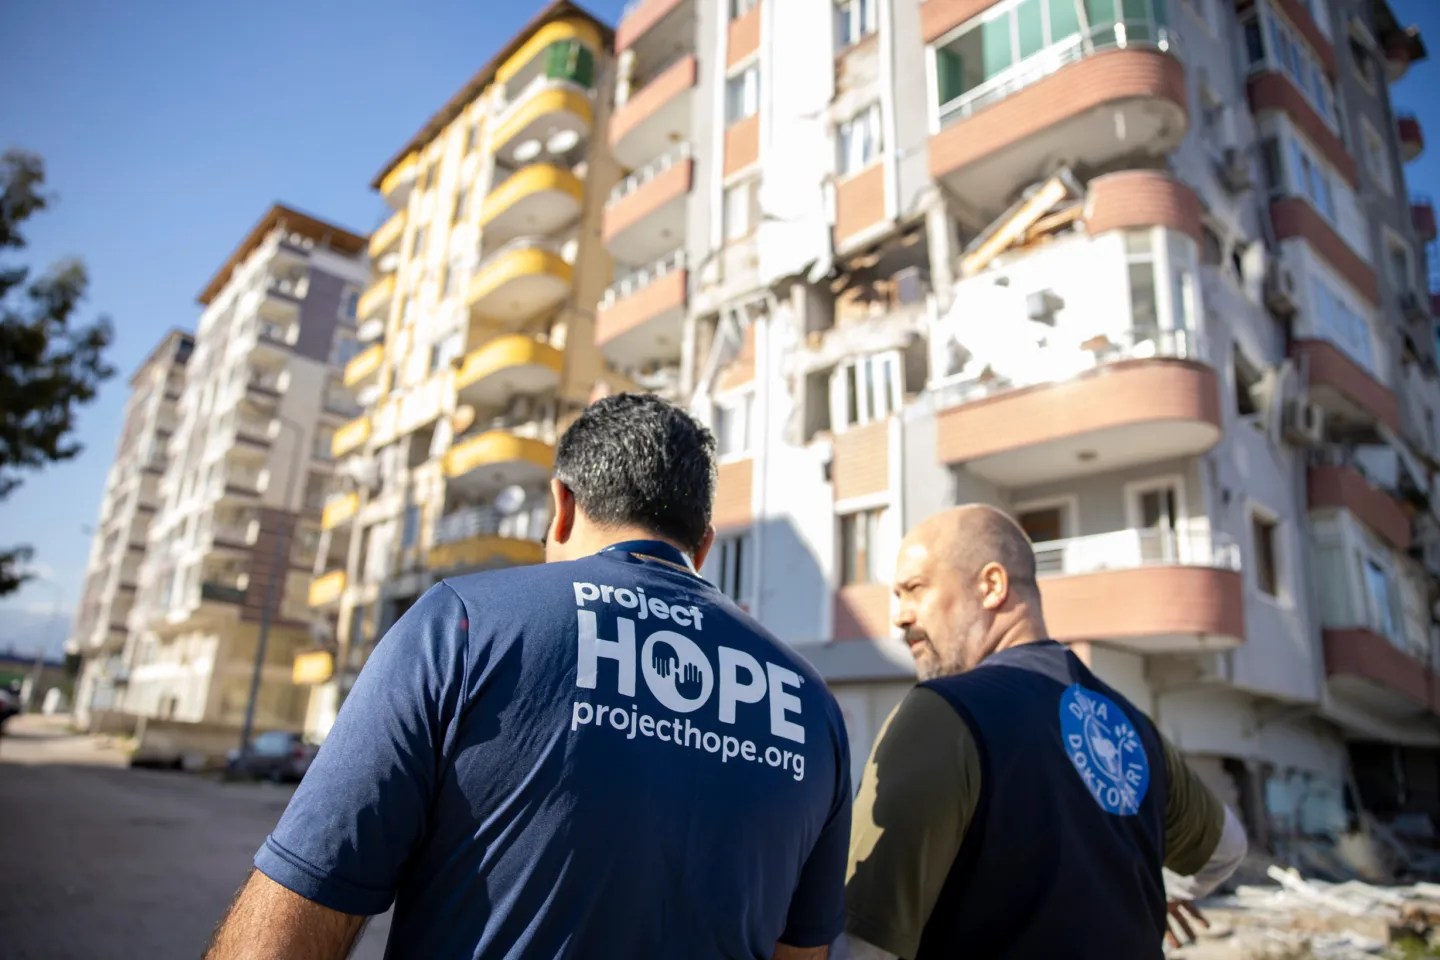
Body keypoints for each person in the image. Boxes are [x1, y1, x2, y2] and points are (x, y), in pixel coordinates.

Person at [205, 394, 853, 960]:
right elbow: (803, 952)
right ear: (703, 546)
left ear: (562, 504)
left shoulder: (460, 627)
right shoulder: (812, 705)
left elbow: (279, 937)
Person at [841, 505, 1248, 960]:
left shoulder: (943, 713)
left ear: (992, 585)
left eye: (914, 589)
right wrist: (1159, 892)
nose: (899, 616)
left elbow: (860, 946)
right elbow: (1226, 849)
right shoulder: (1133, 727)